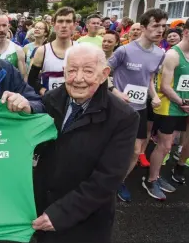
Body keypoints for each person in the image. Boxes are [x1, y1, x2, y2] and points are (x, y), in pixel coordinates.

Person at [32, 43, 139, 243]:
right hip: (43, 213)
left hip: (85, 221)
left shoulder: (123, 117)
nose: (78, 78)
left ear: (104, 74)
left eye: (88, 71)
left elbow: (108, 178)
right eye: (72, 70)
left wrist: (61, 213)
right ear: (64, 72)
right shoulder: (51, 99)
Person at [109, 8, 167, 202]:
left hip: (140, 109)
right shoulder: (124, 50)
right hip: (118, 108)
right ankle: (102, 181)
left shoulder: (159, 53)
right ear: (143, 27)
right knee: (111, 148)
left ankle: (119, 183)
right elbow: (104, 74)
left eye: (163, 26)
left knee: (135, 151)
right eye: (156, 26)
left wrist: (154, 96)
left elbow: (149, 78)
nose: (160, 30)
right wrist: (116, 93)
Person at [151, 17, 189, 190]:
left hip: (182, 107)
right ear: (186, 32)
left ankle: (157, 177)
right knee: (165, 145)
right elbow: (164, 86)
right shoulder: (172, 55)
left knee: (168, 146)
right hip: (168, 107)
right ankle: (152, 180)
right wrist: (183, 102)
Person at [28, 7, 78, 96]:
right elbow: (31, 79)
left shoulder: (81, 49)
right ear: (53, 25)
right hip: (50, 104)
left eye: (68, 21)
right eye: (60, 21)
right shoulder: (42, 51)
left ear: (74, 25)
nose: (64, 25)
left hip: (75, 102)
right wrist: (45, 92)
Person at [0, 12, 27, 79]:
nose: (1, 29)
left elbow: (23, 79)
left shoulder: (18, 50)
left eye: (4, 25)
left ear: (8, 26)